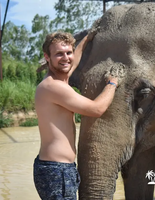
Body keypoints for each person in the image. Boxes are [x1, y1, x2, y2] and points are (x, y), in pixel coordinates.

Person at [33, 30, 120, 200]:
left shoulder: (59, 78)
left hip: (57, 168)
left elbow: (72, 62)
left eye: (68, 52)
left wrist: (86, 40)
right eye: (59, 54)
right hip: (57, 171)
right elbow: (96, 109)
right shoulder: (54, 87)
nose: (66, 58)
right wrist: (112, 83)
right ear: (47, 57)